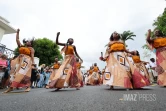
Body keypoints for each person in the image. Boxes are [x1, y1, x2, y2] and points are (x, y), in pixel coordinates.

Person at [4, 29, 35, 93]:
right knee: (14, 73)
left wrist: (33, 63)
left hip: (26, 62)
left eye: (30, 41)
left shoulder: (31, 49)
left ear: (31, 43)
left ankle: (28, 86)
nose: (28, 42)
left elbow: (32, 56)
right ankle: (11, 87)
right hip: (19, 60)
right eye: (27, 41)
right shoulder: (21, 46)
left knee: (23, 74)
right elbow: (17, 40)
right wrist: (17, 33)